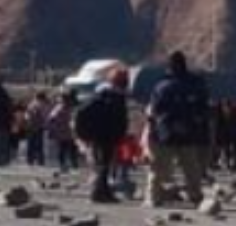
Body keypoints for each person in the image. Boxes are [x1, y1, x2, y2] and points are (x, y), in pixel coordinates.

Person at [144, 52, 212, 208]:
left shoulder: (162, 86)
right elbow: (205, 109)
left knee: (158, 168)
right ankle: (195, 196)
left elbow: (154, 110)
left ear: (170, 67)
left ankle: (153, 197)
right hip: (188, 132)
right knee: (191, 167)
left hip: (165, 133)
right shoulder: (196, 84)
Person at [74, 67, 132, 203]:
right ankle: (99, 192)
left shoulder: (101, 95)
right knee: (104, 165)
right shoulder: (115, 98)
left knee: (102, 165)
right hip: (107, 136)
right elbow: (118, 120)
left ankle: (103, 192)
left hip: (97, 135)